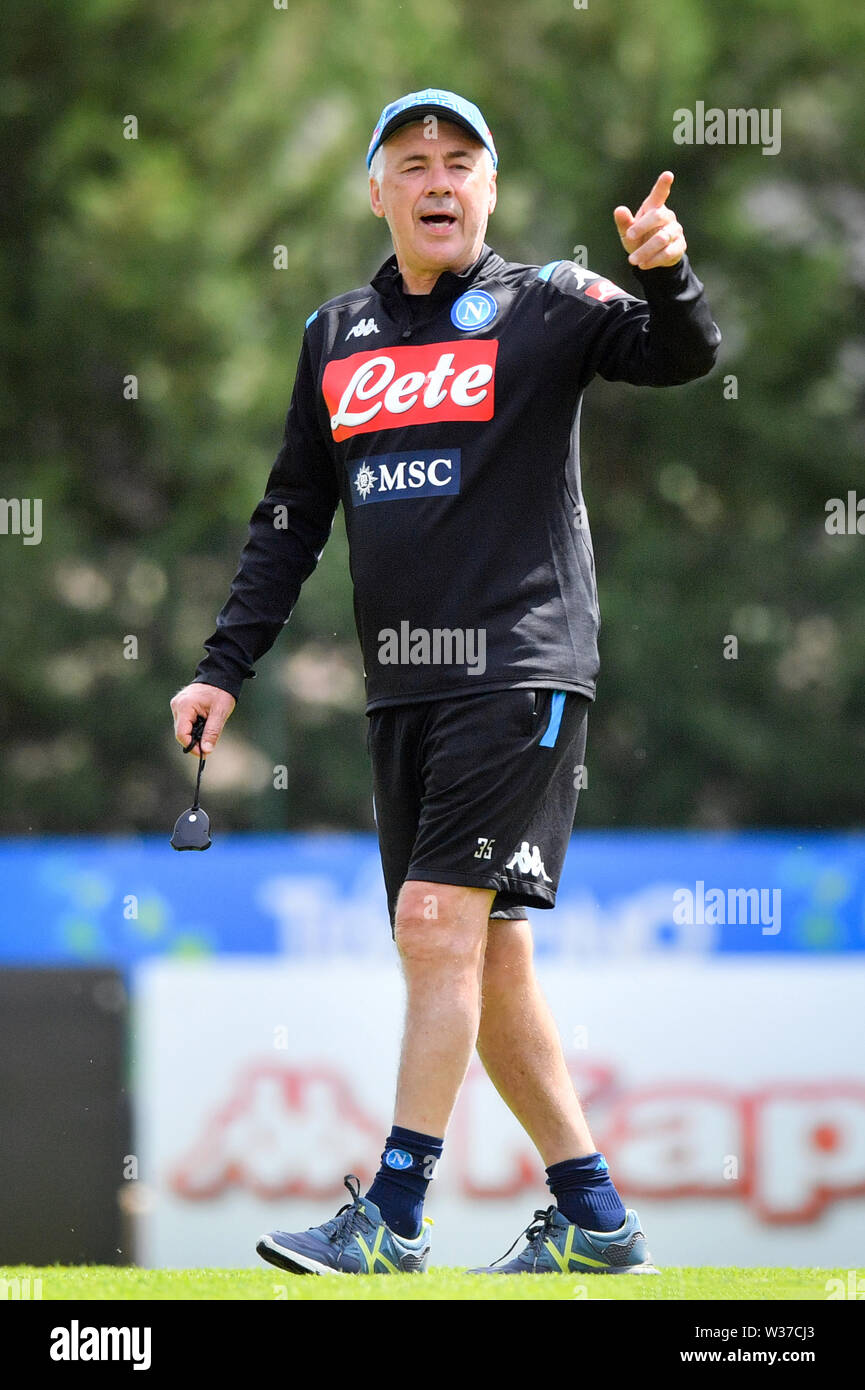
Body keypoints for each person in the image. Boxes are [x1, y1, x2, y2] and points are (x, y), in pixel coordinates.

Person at [170, 88, 720, 1276]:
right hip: (400, 691)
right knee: (489, 955)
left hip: (517, 670)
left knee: (433, 927)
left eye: (459, 160)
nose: (436, 178)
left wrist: (668, 275)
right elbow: (289, 518)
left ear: (489, 189)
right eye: (410, 159)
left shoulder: (552, 305)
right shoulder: (332, 337)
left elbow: (680, 356)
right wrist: (223, 668)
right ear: (375, 190)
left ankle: (395, 1214)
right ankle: (594, 1218)